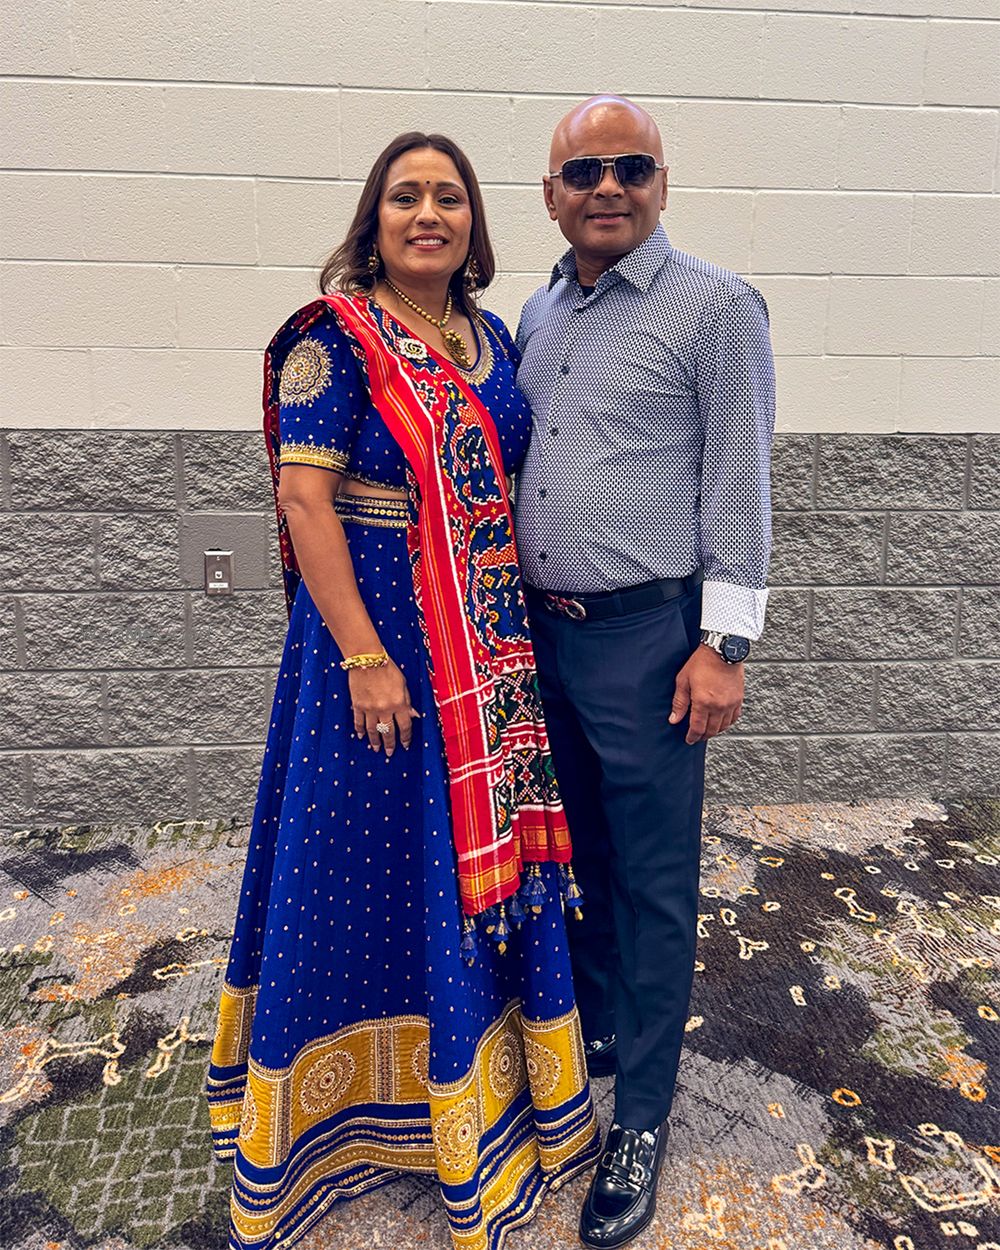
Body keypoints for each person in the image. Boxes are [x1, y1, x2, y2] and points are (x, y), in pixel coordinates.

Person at [203, 132, 599, 1250]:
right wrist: (365, 657)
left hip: (483, 653)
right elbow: (304, 502)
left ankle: (481, 1089)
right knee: (359, 858)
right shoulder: (333, 340)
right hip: (374, 646)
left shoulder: (493, 339)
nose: (428, 213)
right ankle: (334, 1116)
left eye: (449, 197)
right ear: (373, 222)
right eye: (405, 196)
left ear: (474, 223)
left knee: (467, 862)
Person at [514, 96, 775, 1248]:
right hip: (539, 637)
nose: (607, 186)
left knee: (656, 880)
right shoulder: (535, 312)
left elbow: (741, 487)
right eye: (584, 171)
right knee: (580, 853)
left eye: (630, 166)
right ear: (551, 196)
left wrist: (724, 646)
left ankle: (643, 1118)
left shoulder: (714, 308)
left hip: (647, 641)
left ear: (662, 183)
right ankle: (608, 1024)